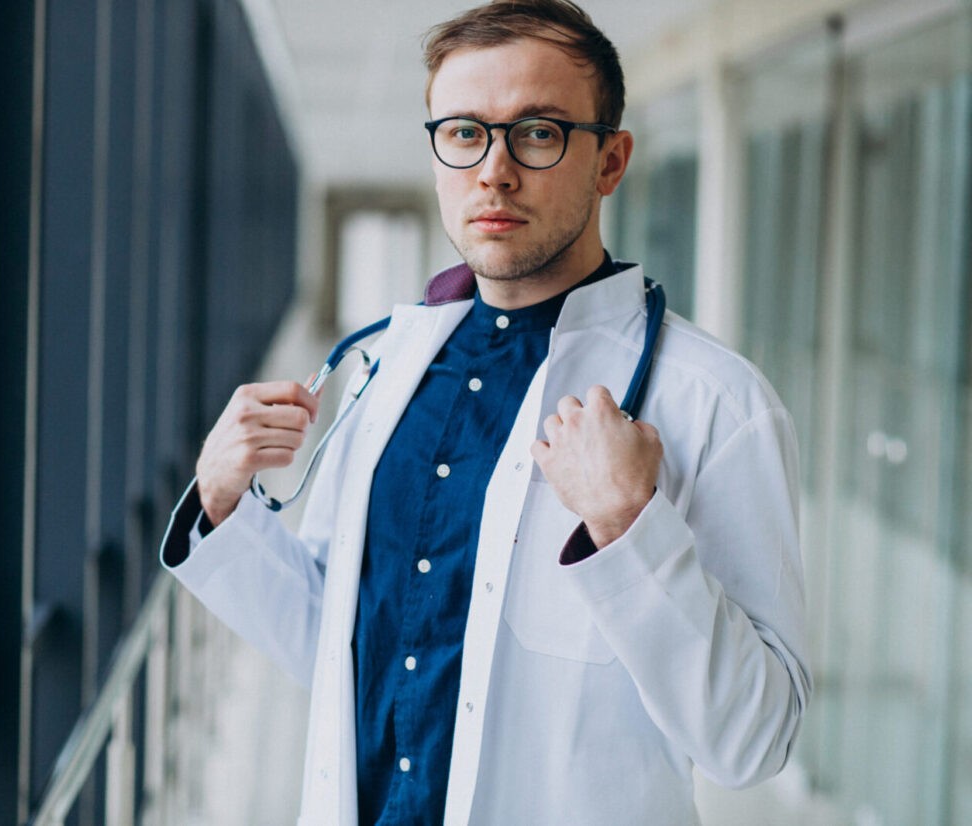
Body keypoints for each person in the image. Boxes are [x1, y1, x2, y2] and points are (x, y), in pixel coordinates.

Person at [161, 0, 810, 823]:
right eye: (465, 132)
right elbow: (341, 647)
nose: (494, 171)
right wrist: (222, 503)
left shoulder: (716, 402)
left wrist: (630, 528)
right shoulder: (385, 371)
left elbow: (754, 739)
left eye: (537, 133)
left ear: (611, 161)